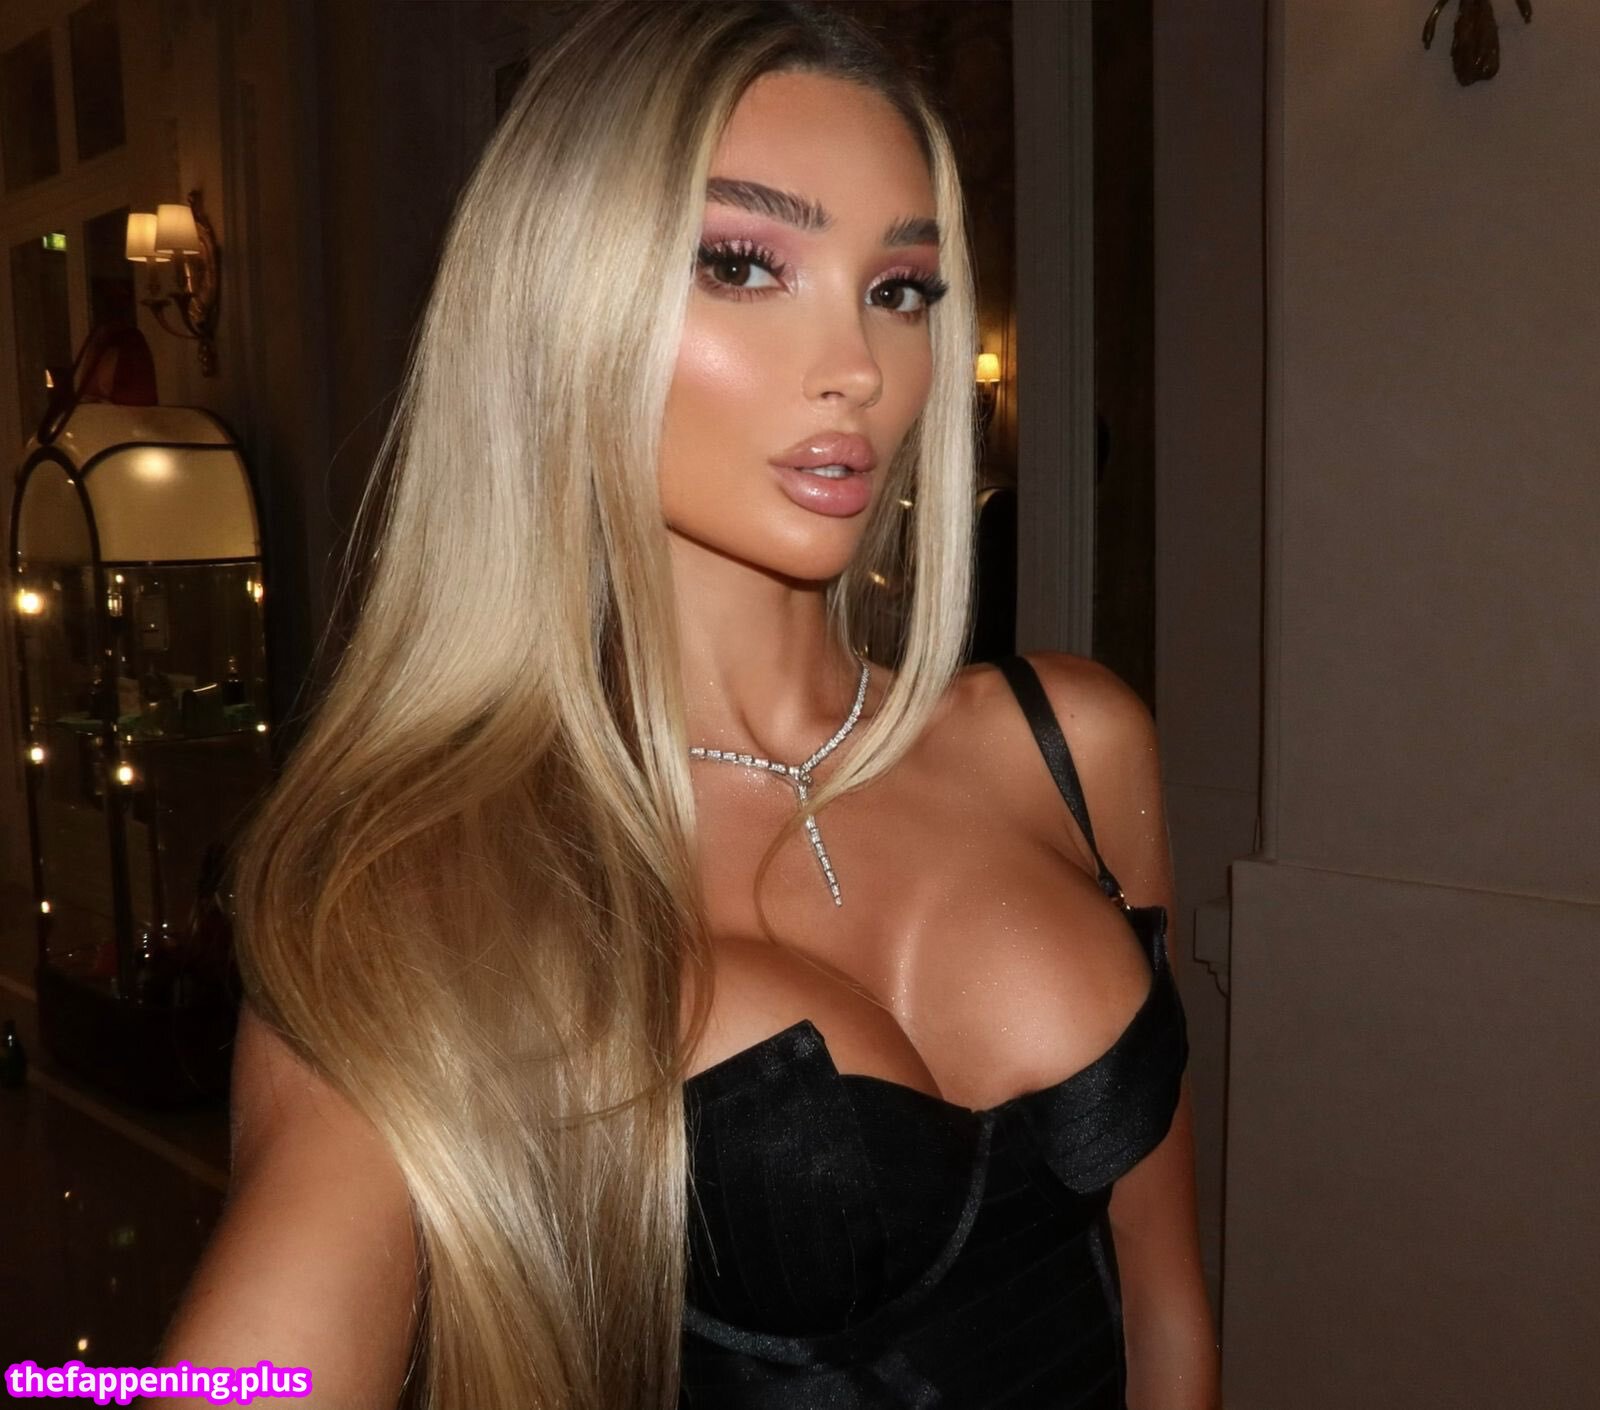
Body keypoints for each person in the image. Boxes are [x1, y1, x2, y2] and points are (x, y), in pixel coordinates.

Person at [149, 4, 1219, 1407]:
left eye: (900, 287)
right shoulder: (434, 889)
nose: (861, 365)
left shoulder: (1071, 744)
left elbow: (1166, 1307)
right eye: (742, 263)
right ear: (560, 307)